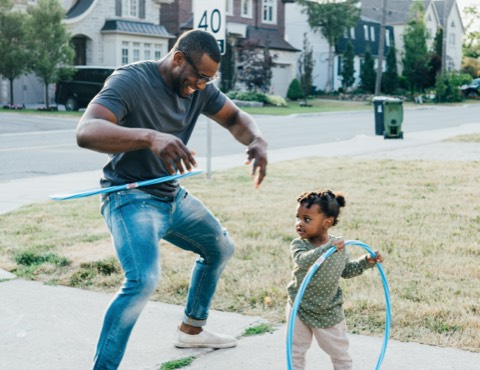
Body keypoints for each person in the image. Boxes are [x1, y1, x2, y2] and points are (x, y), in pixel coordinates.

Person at [75, 29, 268, 370]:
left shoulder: (200, 87)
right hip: (129, 196)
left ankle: (191, 330)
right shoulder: (130, 81)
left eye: (209, 79)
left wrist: (256, 140)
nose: (202, 86)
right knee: (143, 281)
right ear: (178, 59)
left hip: (170, 195)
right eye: (199, 77)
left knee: (220, 248)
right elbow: (87, 132)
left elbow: (236, 118)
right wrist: (149, 137)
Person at [286, 190, 383, 370]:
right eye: (297, 217)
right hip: (299, 305)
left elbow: (345, 271)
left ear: (327, 223)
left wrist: (366, 261)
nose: (299, 223)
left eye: (307, 219)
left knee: (339, 353)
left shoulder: (338, 247)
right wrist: (326, 248)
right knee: (295, 351)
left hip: (327, 309)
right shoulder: (299, 245)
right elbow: (302, 260)